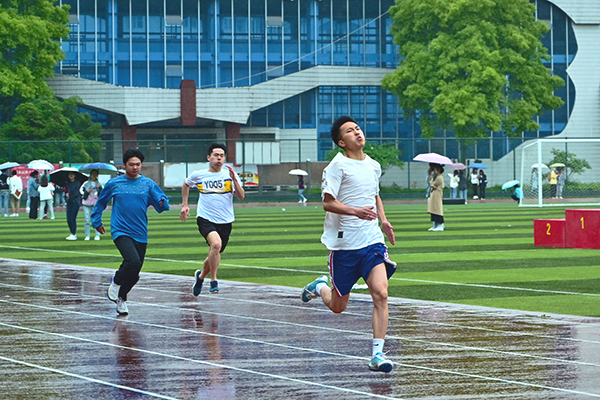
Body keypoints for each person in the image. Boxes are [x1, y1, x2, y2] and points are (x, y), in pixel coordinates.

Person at [300, 116, 396, 373]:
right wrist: (355, 211)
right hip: (344, 245)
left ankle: (377, 354)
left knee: (381, 293)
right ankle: (319, 286)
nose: (357, 132)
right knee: (337, 306)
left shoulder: (373, 165)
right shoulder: (336, 166)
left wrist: (384, 220)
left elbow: (375, 194)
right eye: (350, 131)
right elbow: (328, 203)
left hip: (372, 241)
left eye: (358, 128)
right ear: (342, 142)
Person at [93, 149, 170, 315]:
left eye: (138, 164)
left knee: (135, 273)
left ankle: (121, 298)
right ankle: (116, 281)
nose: (135, 167)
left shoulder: (148, 184)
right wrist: (96, 221)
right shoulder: (114, 184)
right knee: (132, 261)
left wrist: (162, 202)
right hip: (120, 230)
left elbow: (163, 205)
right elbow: (101, 203)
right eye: (131, 164)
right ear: (124, 165)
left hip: (140, 232)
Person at [180, 143, 245, 296]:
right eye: (216, 155)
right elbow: (186, 184)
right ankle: (214, 280)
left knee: (215, 251)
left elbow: (241, 196)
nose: (219, 158)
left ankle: (201, 276)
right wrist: (185, 205)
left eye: (222, 156)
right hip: (205, 218)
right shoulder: (199, 174)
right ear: (209, 157)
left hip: (226, 220)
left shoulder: (230, 175)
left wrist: (234, 180)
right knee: (215, 244)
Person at [82, 169, 102, 241]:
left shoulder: (99, 184)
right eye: (92, 174)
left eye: (95, 174)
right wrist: (87, 192)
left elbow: (101, 195)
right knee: (87, 220)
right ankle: (87, 235)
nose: (94, 175)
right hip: (87, 203)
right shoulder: (86, 184)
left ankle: (97, 235)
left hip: (96, 204)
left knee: (96, 219)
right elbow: (82, 193)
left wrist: (99, 188)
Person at [428, 163, 445, 231]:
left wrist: (432, 179)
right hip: (435, 194)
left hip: (437, 195)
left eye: (435, 170)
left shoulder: (439, 177)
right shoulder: (438, 177)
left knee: (437, 209)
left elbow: (432, 184)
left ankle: (440, 225)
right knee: (434, 210)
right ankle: (435, 225)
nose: (434, 171)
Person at [65, 172, 82, 240]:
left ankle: (73, 234)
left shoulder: (77, 183)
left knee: (72, 218)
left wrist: (70, 194)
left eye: (72, 174)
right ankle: (72, 233)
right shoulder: (67, 183)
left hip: (76, 202)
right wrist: (66, 194)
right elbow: (67, 191)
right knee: (68, 219)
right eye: (70, 174)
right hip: (69, 202)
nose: (71, 176)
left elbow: (76, 193)